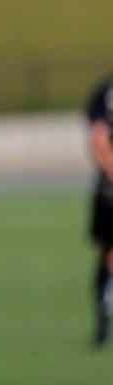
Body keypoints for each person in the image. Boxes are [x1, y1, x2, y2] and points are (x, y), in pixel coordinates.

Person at [86, 76, 113, 348]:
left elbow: (97, 138)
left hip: (106, 191)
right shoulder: (106, 93)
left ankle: (103, 311)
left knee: (107, 254)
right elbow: (98, 137)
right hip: (109, 192)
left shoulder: (104, 92)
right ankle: (103, 312)